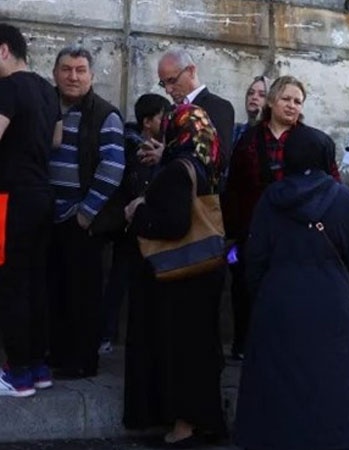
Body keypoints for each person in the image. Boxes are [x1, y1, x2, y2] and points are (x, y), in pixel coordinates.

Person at [235, 126, 349, 450]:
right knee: (332, 381)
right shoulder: (344, 198)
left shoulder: (271, 198)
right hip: (332, 301)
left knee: (277, 381)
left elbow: (254, 257)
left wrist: (266, 293)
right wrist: (345, 291)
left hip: (279, 300)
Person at [123, 104, 226, 446]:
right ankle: (205, 421)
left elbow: (174, 223)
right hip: (202, 272)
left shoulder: (178, 169)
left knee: (180, 352)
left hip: (179, 277)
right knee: (200, 350)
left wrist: (138, 213)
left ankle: (184, 426)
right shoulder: (205, 164)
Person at [223, 75, 340, 360]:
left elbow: (333, 187)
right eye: (286, 99)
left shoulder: (315, 142)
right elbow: (234, 188)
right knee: (249, 291)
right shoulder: (249, 141)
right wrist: (233, 234)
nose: (291, 105)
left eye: (298, 101)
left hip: (299, 235)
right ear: (272, 101)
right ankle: (247, 346)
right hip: (254, 230)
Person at [48, 45, 125, 379]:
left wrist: (87, 212)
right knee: (51, 290)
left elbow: (113, 164)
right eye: (66, 69)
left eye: (80, 70)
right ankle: (54, 355)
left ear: (92, 76)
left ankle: (81, 362)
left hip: (82, 220)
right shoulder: (44, 106)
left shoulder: (105, 114)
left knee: (83, 294)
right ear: (55, 73)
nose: (73, 76)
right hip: (46, 217)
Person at [0, 23, 62, 396]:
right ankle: (38, 367)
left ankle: (16, 373)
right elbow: (55, 139)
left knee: (12, 283)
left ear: (3, 50)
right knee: (36, 281)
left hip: (12, 199)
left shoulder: (7, 88)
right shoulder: (44, 89)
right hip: (42, 193)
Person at [99, 93, 170, 354]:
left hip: (146, 226)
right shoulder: (134, 148)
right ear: (148, 121)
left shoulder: (163, 149)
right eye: (163, 117)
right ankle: (106, 334)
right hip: (130, 228)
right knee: (119, 281)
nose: (168, 122)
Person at [157, 48, 234, 172]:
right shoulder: (169, 112)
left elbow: (220, 161)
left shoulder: (219, 106)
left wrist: (164, 156)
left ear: (191, 71)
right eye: (163, 84)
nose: (168, 90)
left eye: (172, 81)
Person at [232, 75, 268, 147]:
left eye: (261, 95)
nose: (254, 97)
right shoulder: (236, 130)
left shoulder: (273, 135)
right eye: (251, 93)